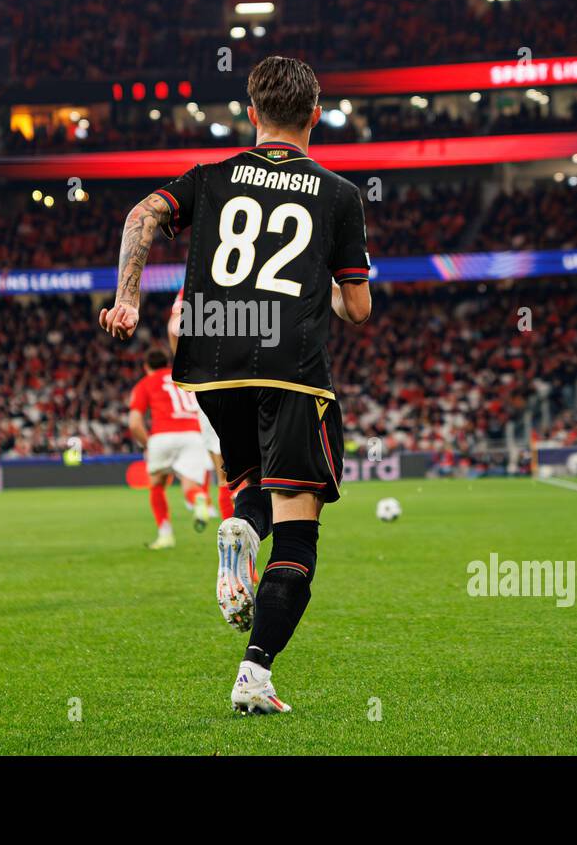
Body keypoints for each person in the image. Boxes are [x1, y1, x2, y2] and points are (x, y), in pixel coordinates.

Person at [99, 55, 372, 714]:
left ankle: (241, 532)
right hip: (292, 369)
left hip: (210, 364)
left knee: (252, 489)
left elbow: (141, 215)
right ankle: (255, 674)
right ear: (314, 115)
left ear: (251, 114)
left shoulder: (209, 178)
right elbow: (357, 310)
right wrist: (335, 289)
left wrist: (128, 299)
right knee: (300, 532)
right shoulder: (338, 195)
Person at [128, 347, 214, 549]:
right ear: (167, 363)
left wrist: (148, 444)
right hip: (193, 435)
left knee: (157, 484)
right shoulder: (183, 378)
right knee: (190, 487)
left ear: (146, 366)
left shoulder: (145, 383)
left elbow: (134, 423)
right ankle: (199, 498)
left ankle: (165, 535)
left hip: (163, 435)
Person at [168, 289, 234, 526]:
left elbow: (174, 327)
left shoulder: (193, 284)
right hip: (249, 380)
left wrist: (185, 366)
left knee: (224, 474)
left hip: (209, 385)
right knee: (252, 472)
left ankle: (235, 549)